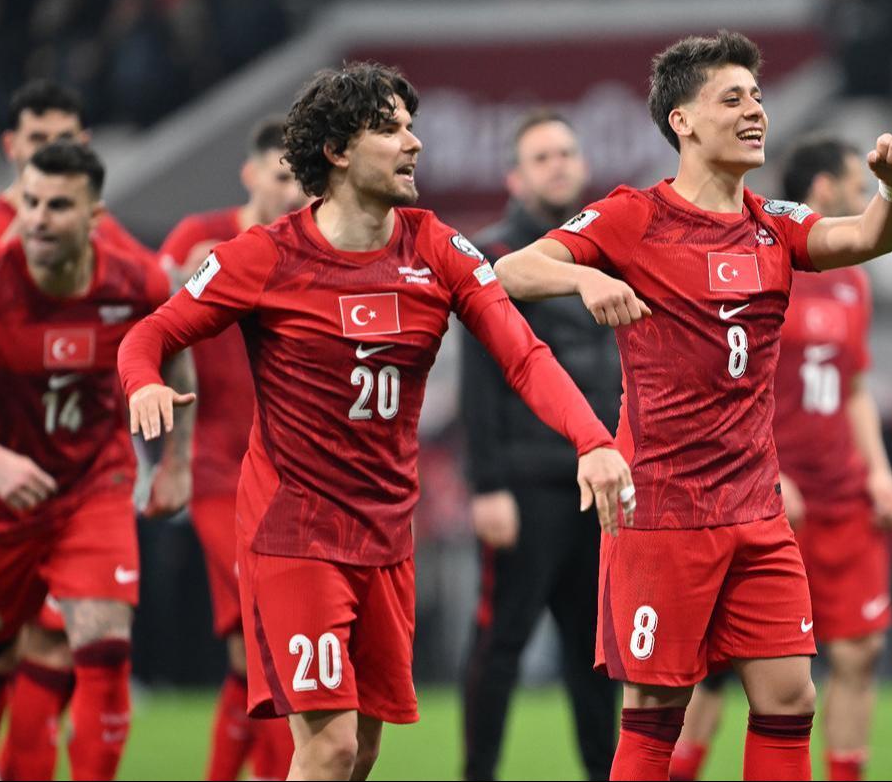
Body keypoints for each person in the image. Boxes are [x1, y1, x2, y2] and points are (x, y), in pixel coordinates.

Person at [117, 62, 635, 781]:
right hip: (292, 529)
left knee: (360, 751)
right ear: (336, 150)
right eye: (390, 129)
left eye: (412, 127)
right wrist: (144, 384)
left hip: (387, 531)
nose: (414, 143)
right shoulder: (266, 254)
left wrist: (594, 440)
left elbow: (524, 355)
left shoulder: (438, 248)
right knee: (325, 748)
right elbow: (149, 334)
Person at [493, 31, 892, 781]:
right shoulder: (634, 216)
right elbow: (513, 268)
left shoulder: (772, 221)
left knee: (790, 695)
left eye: (758, 97)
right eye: (733, 98)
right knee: (657, 709)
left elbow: (864, 237)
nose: (755, 111)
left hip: (756, 509)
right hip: (662, 510)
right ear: (682, 121)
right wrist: (584, 279)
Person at [0, 142, 193, 782]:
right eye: (30, 201)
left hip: (93, 488)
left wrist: (176, 463)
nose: (36, 217)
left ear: (95, 216)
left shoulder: (132, 282)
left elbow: (177, 346)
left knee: (104, 647)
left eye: (58, 206)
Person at [669, 137, 892, 782]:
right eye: (856, 187)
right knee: (721, 668)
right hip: (766, 497)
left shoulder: (854, 282)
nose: (864, 199)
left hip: (844, 496)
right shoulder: (767, 267)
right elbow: (732, 382)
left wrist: (880, 470)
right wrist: (767, 470)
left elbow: (854, 386)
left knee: (861, 651)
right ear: (824, 190)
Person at [460, 110, 620, 781]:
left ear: (582, 164)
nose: (558, 164)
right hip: (525, 483)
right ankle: (479, 772)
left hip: (599, 484)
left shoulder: (607, 247)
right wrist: (487, 484)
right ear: (515, 177)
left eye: (565, 152)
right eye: (541, 156)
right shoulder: (493, 255)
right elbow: (478, 379)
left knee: (597, 653)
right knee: (502, 643)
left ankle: (605, 771)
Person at [158, 115, 304, 781]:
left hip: (290, 473)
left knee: (251, 654)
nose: (293, 191)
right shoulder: (200, 239)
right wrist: (178, 282)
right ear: (250, 174)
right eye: (280, 175)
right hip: (219, 468)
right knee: (269, 632)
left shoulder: (309, 250)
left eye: (302, 178)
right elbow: (152, 321)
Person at [0, 78, 149, 266]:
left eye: (65, 138)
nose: (54, 149)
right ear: (10, 145)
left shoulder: (97, 224)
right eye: (38, 138)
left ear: (84, 144)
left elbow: (159, 283)